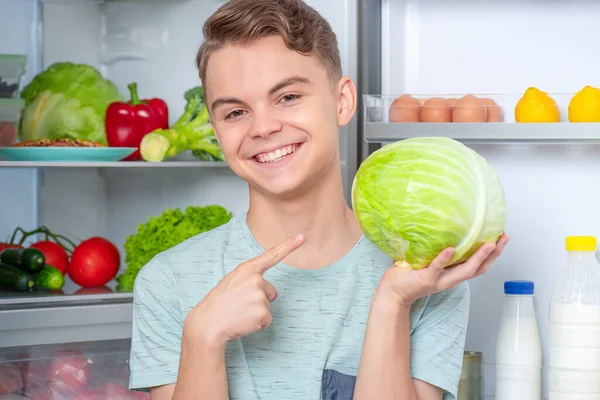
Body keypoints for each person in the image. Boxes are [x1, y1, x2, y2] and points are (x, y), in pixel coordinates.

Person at [128, 1, 509, 399]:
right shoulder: (168, 282)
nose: (263, 127)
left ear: (342, 100)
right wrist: (202, 340)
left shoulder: (427, 276)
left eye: (288, 97)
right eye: (236, 112)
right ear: (216, 129)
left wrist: (392, 302)